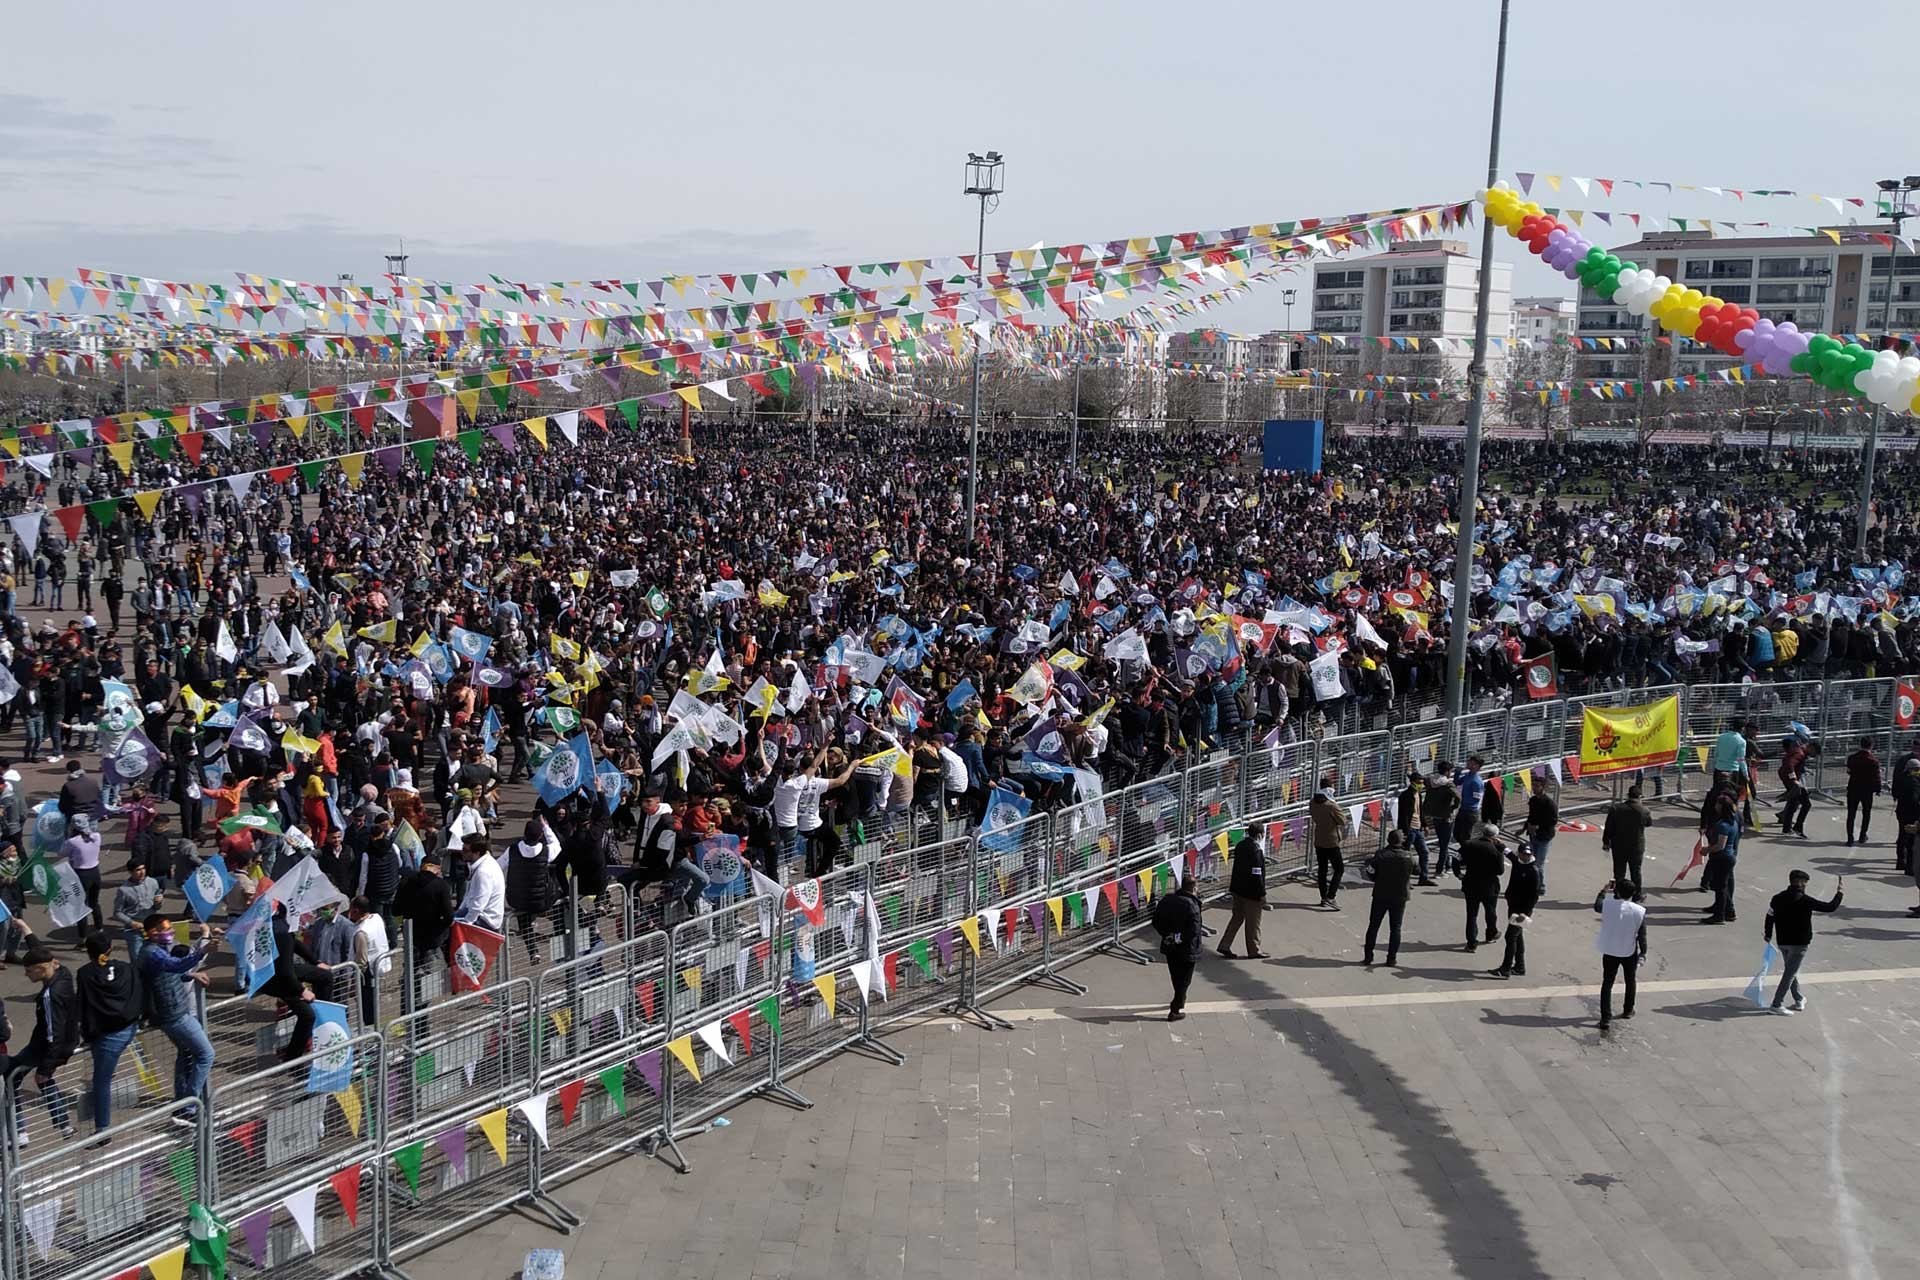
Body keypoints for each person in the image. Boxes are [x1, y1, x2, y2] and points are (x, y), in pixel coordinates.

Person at [136, 914, 217, 1125]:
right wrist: (201, 953)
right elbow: (176, 966)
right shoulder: (152, 954)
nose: (170, 932)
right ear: (152, 932)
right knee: (206, 1054)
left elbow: (171, 974)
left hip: (173, 1011)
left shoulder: (157, 951)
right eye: (165, 929)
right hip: (173, 1014)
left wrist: (192, 975)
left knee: (186, 1054)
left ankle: (181, 1104)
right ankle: (190, 1106)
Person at [74, 930, 143, 1140]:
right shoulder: (125, 968)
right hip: (129, 1027)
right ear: (110, 949)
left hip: (106, 1036)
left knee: (101, 1081)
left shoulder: (85, 973)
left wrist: (86, 1032)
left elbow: (84, 1005)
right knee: (104, 1073)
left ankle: (102, 1129)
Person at [6, 946, 78, 1143]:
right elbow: (43, 953)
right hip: (66, 1042)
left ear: (41, 968)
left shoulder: (49, 996)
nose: (26, 975)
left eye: (29, 971)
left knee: (11, 1079)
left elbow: (53, 1033)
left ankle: (18, 1131)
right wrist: (28, 932)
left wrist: (46, 1066)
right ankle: (64, 1125)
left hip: (45, 1048)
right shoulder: (63, 975)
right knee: (43, 1081)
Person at [1763, 869, 1843, 1014]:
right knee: (1789, 974)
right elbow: (1830, 907)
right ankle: (1776, 1004)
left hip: (1783, 941)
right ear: (1800, 882)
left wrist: (1768, 934)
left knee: (1790, 970)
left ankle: (1799, 999)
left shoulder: (1777, 898)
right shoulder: (1805, 900)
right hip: (1799, 943)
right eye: (1805, 883)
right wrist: (1840, 893)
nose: (1806, 885)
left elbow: (1770, 916)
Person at [1593, 879, 1647, 1031]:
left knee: (1607, 983)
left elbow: (1597, 905)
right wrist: (1643, 952)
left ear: (1616, 891)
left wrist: (1603, 890)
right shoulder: (1639, 911)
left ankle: (1605, 1018)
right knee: (1630, 980)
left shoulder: (1608, 905)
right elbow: (1642, 935)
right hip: (1629, 951)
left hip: (1610, 950)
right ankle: (1628, 1009)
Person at [1151, 874, 1204, 1022]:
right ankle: (1176, 1007)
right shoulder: (1192, 905)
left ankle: (1178, 998)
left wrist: (1168, 935)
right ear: (1194, 888)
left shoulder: (1167, 900)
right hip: (1187, 949)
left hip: (1170, 947)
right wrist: (1178, 938)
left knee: (1175, 975)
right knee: (1185, 979)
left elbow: (1156, 921)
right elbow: (1193, 931)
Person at [1487, 837, 1541, 978]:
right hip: (1513, 906)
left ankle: (1505, 969)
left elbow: (1534, 897)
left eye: (1528, 854)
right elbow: (1508, 852)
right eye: (1523, 854)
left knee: (1510, 937)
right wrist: (1498, 843)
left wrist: (1525, 914)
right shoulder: (1518, 861)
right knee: (1518, 937)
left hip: (1522, 912)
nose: (1525, 856)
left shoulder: (1533, 871)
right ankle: (1519, 967)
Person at [1361, 829, 1415, 967]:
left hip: (1381, 894)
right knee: (1395, 928)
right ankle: (1391, 958)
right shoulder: (1408, 856)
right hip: (1400, 895)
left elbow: (1370, 872)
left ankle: (1368, 957)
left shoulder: (1381, 855)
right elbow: (1417, 870)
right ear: (1401, 841)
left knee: (1373, 925)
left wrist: (1378, 879)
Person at [1214, 824, 1269, 959]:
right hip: (1252, 892)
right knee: (1253, 923)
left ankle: (1224, 944)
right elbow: (1257, 874)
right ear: (1259, 834)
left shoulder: (1240, 845)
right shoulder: (1256, 850)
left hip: (1237, 889)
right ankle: (1254, 950)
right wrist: (1262, 893)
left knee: (1237, 917)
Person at [1458, 822, 1504, 953]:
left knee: (1471, 915)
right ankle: (1491, 933)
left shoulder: (1469, 844)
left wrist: (1458, 874)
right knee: (1490, 912)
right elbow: (1500, 870)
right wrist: (1500, 851)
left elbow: (1456, 858)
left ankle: (1471, 943)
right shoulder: (1495, 849)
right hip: (1489, 887)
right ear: (1494, 836)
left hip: (1471, 884)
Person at [347, 897, 392, 1026]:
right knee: (373, 1006)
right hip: (380, 965)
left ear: (355, 910)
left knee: (367, 1009)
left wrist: (353, 984)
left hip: (367, 974)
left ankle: (371, 1036)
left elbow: (361, 961)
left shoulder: (361, 932)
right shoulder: (376, 918)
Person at [1601, 784, 1653, 890]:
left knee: (1619, 872)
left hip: (1618, 846)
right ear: (1640, 797)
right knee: (1636, 872)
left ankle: (1618, 893)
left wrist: (1606, 842)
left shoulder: (1616, 809)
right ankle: (1637, 895)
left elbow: (1608, 827)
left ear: (1627, 795)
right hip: (1636, 846)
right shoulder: (1644, 810)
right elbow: (1648, 823)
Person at [110, 860, 163, 961]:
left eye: (143, 868)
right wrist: (132, 922)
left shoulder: (152, 882)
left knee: (155, 958)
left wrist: (158, 903)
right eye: (138, 870)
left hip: (152, 927)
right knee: (137, 959)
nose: (142, 872)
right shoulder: (124, 890)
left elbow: (156, 908)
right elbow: (117, 912)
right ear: (130, 872)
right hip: (134, 931)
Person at [454, 834, 506, 933]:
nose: (462, 852)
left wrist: (466, 924)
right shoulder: (484, 864)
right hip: (480, 915)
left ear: (477, 853)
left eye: (465, 850)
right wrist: (459, 912)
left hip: (485, 920)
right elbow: (469, 897)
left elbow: (478, 904)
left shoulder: (483, 872)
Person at [1704, 793, 1742, 924]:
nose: (1715, 806)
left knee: (1720, 887)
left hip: (1722, 858)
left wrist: (1706, 850)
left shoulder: (1724, 825)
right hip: (1727, 857)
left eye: (1717, 804)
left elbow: (1720, 845)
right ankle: (1719, 909)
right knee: (1720, 885)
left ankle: (1720, 914)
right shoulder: (1732, 821)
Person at [1394, 772, 1436, 886]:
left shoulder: (1419, 795)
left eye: (1422, 783)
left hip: (1418, 829)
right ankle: (1404, 881)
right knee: (1405, 857)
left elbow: (1420, 812)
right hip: (1409, 830)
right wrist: (1405, 832)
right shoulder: (1405, 796)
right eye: (1419, 783)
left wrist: (1425, 825)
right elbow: (1404, 816)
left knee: (1424, 852)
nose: (1421, 785)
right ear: (1413, 783)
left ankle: (1424, 877)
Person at [1309, 789, 1345, 911]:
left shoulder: (1312, 803)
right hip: (1332, 841)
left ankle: (1323, 897)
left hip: (1319, 840)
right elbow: (1342, 821)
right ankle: (1331, 896)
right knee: (1339, 869)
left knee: (1322, 869)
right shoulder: (1331, 806)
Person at [1844, 737, 1881, 847]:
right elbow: (1877, 777)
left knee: (1851, 813)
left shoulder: (1852, 758)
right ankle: (1862, 835)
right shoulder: (1873, 760)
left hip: (1853, 788)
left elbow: (1849, 771)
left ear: (1860, 745)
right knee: (1866, 813)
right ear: (1871, 745)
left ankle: (1850, 838)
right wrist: (1878, 789)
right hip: (1867, 790)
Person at [1522, 780, 1558, 893]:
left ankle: (1541, 886)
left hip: (1544, 836)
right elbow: (1531, 816)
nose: (1534, 788)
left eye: (1537, 786)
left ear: (1543, 787)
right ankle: (1532, 883)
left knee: (1539, 863)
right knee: (1531, 861)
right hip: (1533, 836)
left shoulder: (1549, 803)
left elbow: (1553, 821)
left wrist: (1537, 827)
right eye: (1533, 785)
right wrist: (1524, 828)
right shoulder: (1533, 800)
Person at [1775, 734, 1811, 838]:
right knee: (1806, 804)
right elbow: (1790, 765)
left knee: (1793, 803)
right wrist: (1794, 779)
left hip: (1788, 778)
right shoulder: (1800, 753)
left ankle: (1787, 828)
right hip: (1792, 782)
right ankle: (1797, 827)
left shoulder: (1799, 752)